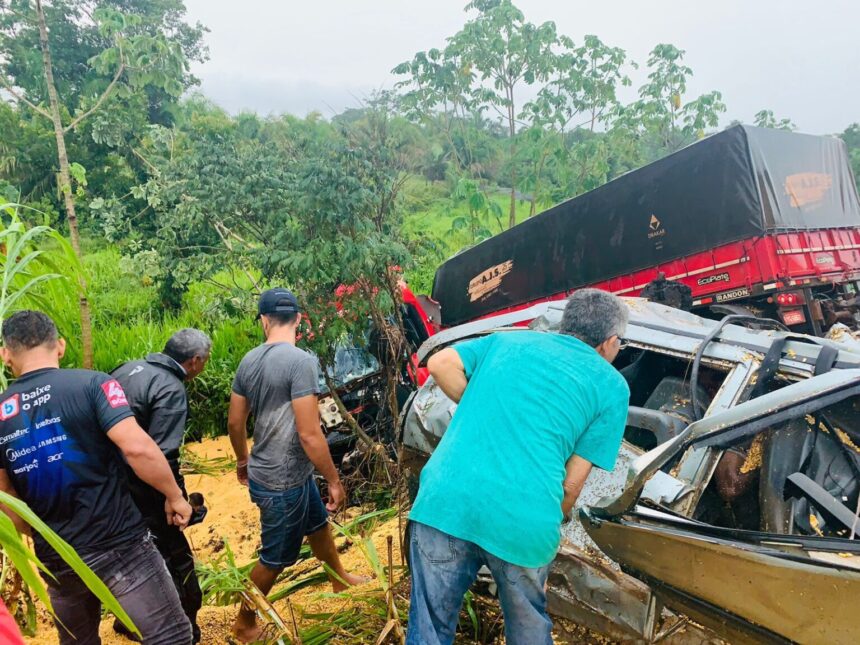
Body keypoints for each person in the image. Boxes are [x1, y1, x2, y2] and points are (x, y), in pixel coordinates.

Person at [407, 289, 631, 645]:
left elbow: (439, 363)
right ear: (610, 341)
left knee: (429, 630)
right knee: (528, 631)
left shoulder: (508, 341)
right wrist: (543, 534)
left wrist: (482, 408)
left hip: (444, 501)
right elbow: (571, 487)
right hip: (523, 519)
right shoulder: (612, 386)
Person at [0, 311, 193, 645]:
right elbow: (137, 448)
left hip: (58, 556)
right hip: (119, 542)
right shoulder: (93, 384)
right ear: (60, 346)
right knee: (170, 637)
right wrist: (174, 496)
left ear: (6, 354)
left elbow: (5, 495)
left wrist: (39, 533)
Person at [227, 288, 367, 643]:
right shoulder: (301, 362)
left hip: (278, 471)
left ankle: (338, 579)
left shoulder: (248, 361)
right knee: (275, 557)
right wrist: (334, 479)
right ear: (299, 320)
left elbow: (235, 423)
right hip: (283, 480)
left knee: (317, 526)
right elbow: (309, 433)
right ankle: (244, 622)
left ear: (264, 320)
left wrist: (243, 459)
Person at [111, 328, 212, 643]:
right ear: (195, 361)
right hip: (142, 486)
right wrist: (175, 497)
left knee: (129, 551)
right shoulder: (170, 388)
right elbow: (162, 455)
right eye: (206, 360)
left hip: (108, 485)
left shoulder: (126, 369)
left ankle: (127, 619)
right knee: (171, 553)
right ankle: (184, 626)